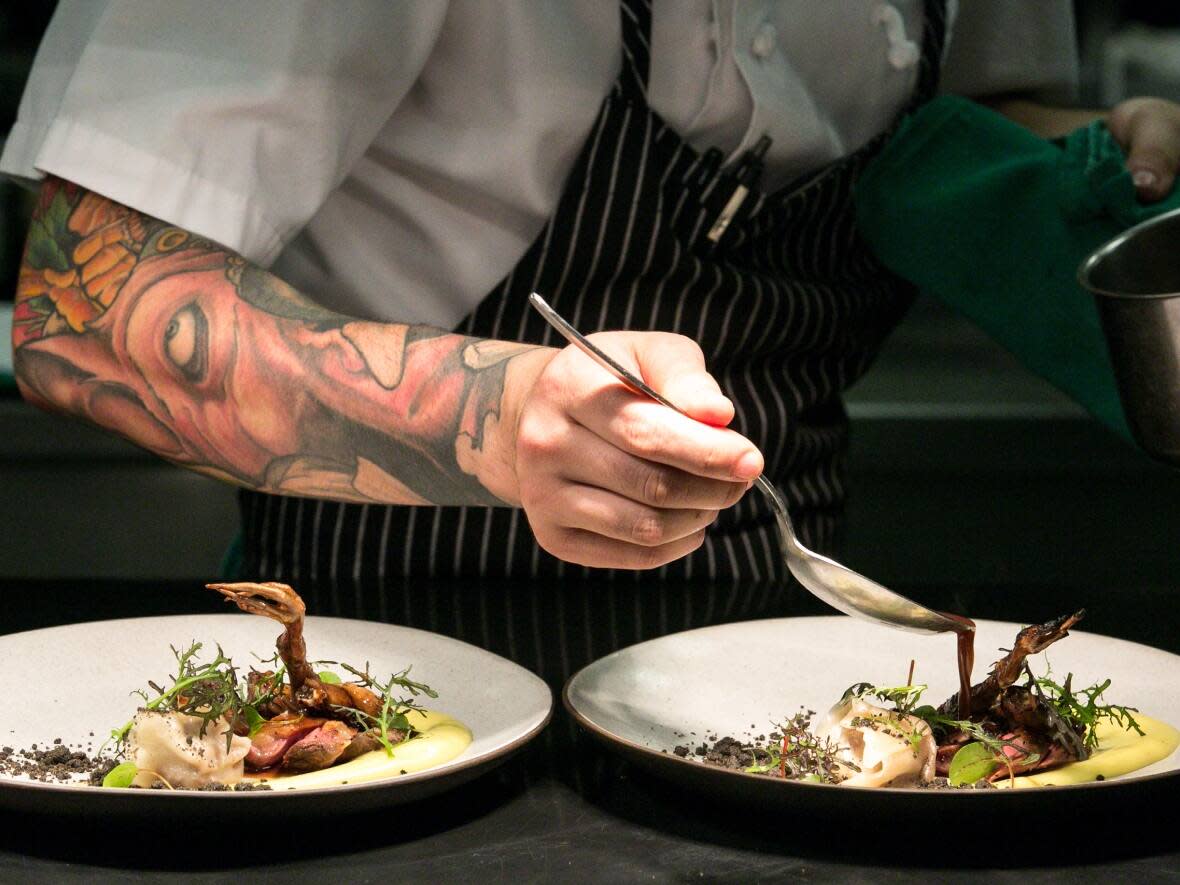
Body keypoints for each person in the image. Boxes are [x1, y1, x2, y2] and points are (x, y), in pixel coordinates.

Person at [5, 0, 1180, 587]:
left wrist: (1105, 160)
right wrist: (509, 423)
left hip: (785, 636)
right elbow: (84, 316)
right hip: (378, 647)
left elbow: (972, 123)